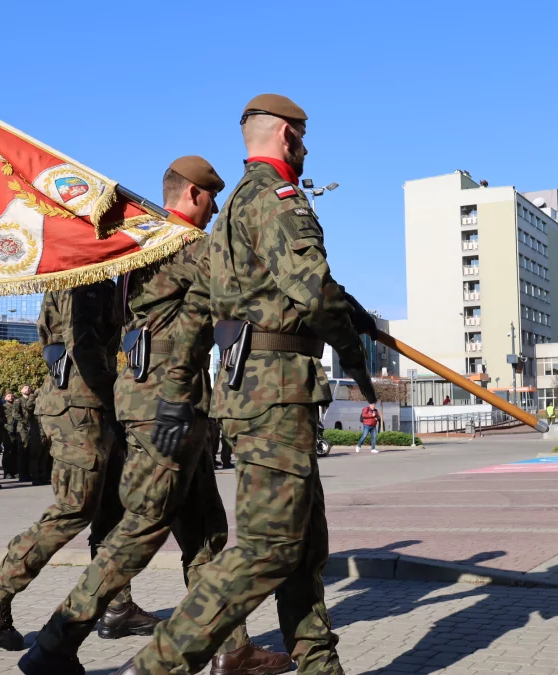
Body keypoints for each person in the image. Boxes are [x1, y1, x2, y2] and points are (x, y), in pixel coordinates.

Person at [113, 94, 379, 675]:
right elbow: (312, 289)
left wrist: (346, 307)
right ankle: (156, 664)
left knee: (304, 545)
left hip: (256, 389)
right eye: (303, 139)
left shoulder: (234, 206)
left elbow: (220, 302)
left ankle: (318, 665)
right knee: (268, 548)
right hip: (276, 390)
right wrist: (358, 348)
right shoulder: (278, 200)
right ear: (287, 135)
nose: (306, 151)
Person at [20, 156, 291, 675]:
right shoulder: (184, 245)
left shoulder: (134, 250)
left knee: (206, 534)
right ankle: (54, 644)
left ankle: (233, 649)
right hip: (171, 407)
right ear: (193, 194)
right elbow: (244, 292)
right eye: (211, 200)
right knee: (139, 530)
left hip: (167, 406)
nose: (213, 211)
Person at [0, 278, 160, 654]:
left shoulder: (97, 277)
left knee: (113, 513)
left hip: (94, 406)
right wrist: (119, 395)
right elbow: (81, 346)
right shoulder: (82, 277)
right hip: (78, 407)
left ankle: (116, 607)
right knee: (74, 508)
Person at [14, 385, 40, 483]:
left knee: (32, 451)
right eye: (25, 388)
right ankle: (22, 474)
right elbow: (15, 413)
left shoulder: (32, 400)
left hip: (32, 428)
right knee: (23, 452)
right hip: (22, 429)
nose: (27, 389)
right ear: (21, 390)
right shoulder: (18, 401)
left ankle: (31, 473)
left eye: (28, 388)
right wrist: (24, 421)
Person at [2, 391, 19, 479]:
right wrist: (7, 427)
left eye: (12, 396)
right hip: (7, 432)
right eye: (8, 396)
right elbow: (1, 419)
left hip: (18, 430)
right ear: (5, 398)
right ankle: (7, 472)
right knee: (8, 452)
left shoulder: (16, 406)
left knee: (16, 451)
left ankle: (15, 471)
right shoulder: (3, 407)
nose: (11, 397)